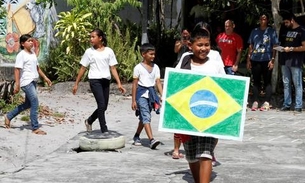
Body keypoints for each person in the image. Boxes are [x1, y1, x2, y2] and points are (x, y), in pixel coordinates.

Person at [175, 28, 226, 183]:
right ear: (190, 45)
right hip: (188, 117)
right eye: (200, 45)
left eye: (207, 45)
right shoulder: (184, 59)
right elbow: (175, 83)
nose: (204, 48)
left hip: (209, 115)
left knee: (205, 153)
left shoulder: (215, 64)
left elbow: (225, 88)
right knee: (191, 156)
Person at [72, 28, 126, 133]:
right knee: (101, 104)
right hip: (94, 80)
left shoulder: (109, 51)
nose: (91, 39)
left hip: (106, 80)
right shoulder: (89, 52)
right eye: (90, 37)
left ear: (100, 38)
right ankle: (104, 129)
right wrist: (76, 84)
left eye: (93, 37)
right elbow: (83, 68)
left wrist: (119, 83)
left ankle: (89, 120)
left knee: (104, 106)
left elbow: (113, 68)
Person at [3, 34, 52, 135]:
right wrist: (17, 84)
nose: (31, 42)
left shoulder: (32, 53)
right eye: (29, 41)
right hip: (26, 82)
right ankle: (35, 127)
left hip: (33, 81)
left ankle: (8, 116)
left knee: (28, 104)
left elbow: (37, 68)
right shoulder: (21, 55)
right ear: (22, 43)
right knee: (35, 102)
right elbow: (17, 69)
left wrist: (45, 78)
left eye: (31, 40)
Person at [131, 43, 163, 150]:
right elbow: (135, 84)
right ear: (143, 54)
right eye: (151, 54)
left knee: (144, 117)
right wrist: (133, 100)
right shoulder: (138, 68)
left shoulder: (156, 67)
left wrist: (162, 95)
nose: (153, 56)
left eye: (154, 54)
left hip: (151, 95)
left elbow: (158, 82)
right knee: (146, 116)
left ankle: (136, 136)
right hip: (141, 95)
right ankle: (151, 140)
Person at [247, 14, 279, 111]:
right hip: (255, 59)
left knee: (267, 82)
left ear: (267, 20)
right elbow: (251, 46)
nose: (262, 20)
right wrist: (248, 59)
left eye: (264, 18)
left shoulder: (271, 31)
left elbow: (275, 46)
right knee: (256, 81)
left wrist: (272, 60)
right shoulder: (254, 31)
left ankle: (266, 102)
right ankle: (255, 101)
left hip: (267, 59)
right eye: (261, 19)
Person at [279, 12, 305, 112]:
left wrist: (291, 49)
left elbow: (304, 47)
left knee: (297, 84)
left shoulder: (302, 31)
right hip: (285, 60)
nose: (285, 24)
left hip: (295, 61)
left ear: (292, 20)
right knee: (286, 83)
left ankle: (298, 106)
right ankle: (287, 104)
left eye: (286, 22)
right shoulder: (287, 30)